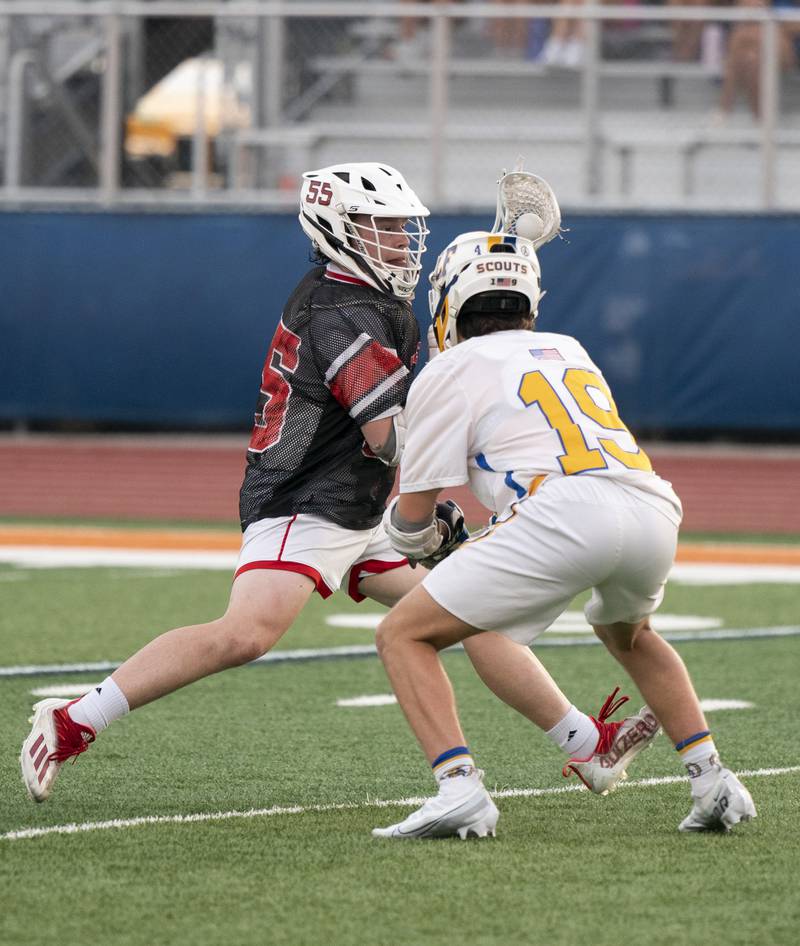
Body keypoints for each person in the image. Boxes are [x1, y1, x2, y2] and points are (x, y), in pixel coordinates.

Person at [20, 163, 652, 806]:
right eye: (382, 228)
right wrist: (468, 443)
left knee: (472, 607)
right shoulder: (341, 310)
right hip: (307, 501)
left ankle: (585, 743)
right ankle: (72, 721)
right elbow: (392, 437)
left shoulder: (368, 298)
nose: (401, 241)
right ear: (336, 230)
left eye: (405, 228)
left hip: (361, 502)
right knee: (247, 634)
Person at [372, 228, 757, 840]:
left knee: (403, 635)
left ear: (449, 302)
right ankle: (711, 778)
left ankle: (459, 789)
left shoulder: (449, 368)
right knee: (631, 635)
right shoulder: (569, 348)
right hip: (652, 504)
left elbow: (414, 517)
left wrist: (423, 537)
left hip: (562, 511)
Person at [715, 0, 800, 121]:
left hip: (783, 42)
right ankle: (760, 122)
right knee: (750, 60)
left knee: (747, 39)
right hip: (759, 45)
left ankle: (725, 108)